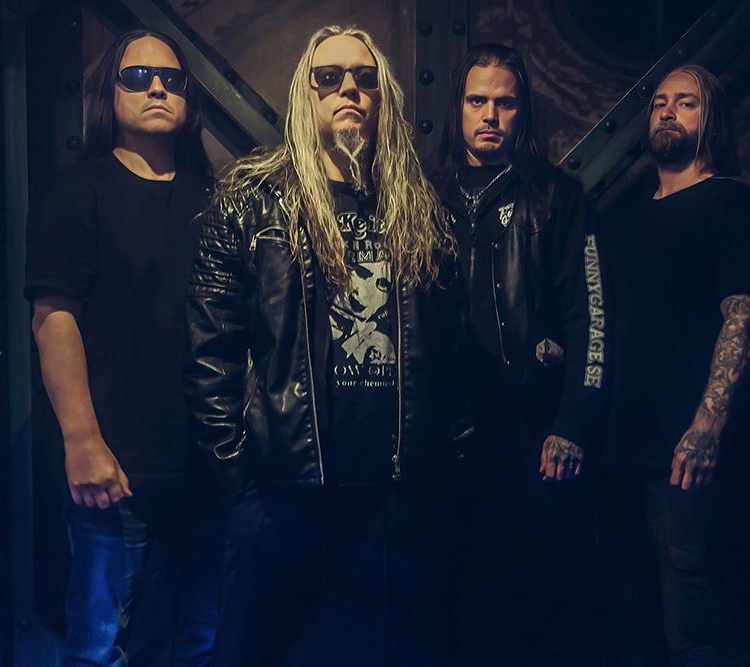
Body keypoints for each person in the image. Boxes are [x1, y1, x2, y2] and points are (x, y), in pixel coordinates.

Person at [184, 25, 469, 667]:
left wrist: (441, 472)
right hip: (282, 496)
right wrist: (241, 486)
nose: (349, 89)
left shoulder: (420, 207)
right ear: (305, 94)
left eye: (365, 78)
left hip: (395, 501)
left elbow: (452, 353)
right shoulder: (253, 205)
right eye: (330, 77)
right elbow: (210, 356)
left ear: (383, 98)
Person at [25, 29, 217, 666]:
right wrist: (82, 442)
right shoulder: (76, 192)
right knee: (98, 649)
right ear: (110, 94)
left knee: (204, 645)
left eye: (171, 78)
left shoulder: (215, 199)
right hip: (114, 473)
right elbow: (53, 320)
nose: (157, 87)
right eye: (137, 77)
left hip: (208, 468)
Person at [426, 44, 606, 667]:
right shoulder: (424, 194)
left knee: (540, 599)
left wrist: (573, 422)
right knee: (448, 596)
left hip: (534, 428)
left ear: (523, 111)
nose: (490, 115)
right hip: (444, 432)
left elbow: (591, 314)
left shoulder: (555, 195)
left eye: (505, 103)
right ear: (457, 107)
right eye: (477, 100)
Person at [597, 64, 750, 666]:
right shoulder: (622, 220)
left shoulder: (730, 202)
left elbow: (744, 318)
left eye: (686, 102)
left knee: (699, 635)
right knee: (627, 634)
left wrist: (706, 428)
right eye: (659, 102)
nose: (667, 110)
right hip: (617, 457)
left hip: (683, 464)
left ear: (711, 120)